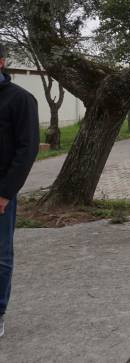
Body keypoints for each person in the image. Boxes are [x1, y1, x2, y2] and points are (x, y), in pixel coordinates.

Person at [0, 43, 40, 339]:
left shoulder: (20, 99)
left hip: (1, 191)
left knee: (1, 255)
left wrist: (5, 193)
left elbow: (27, 150)